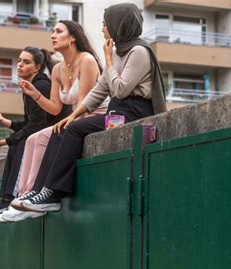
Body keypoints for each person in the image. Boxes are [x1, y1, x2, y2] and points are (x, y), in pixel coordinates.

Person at [11, 3, 166, 217]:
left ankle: (52, 193)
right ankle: (40, 192)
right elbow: (100, 90)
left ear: (118, 25)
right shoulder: (119, 51)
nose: (103, 29)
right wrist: (72, 115)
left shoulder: (138, 51)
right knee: (62, 128)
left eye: (105, 24)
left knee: (74, 131)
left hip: (133, 113)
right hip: (118, 111)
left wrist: (109, 59)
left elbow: (120, 89)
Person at [0, 20, 107, 222]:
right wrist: (35, 94)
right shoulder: (57, 69)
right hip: (76, 116)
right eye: (53, 31)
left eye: (58, 31)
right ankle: (25, 197)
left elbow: (83, 105)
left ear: (72, 37)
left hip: (95, 115)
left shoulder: (87, 60)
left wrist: (67, 122)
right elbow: (56, 107)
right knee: (33, 140)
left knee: (46, 136)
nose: (52, 35)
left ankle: (38, 195)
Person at [0, 47, 70, 216]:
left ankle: (14, 197)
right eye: (19, 61)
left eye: (26, 62)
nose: (20, 65)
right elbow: (29, 123)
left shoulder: (41, 85)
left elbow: (35, 127)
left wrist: (5, 142)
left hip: (54, 135)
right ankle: (8, 199)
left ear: (37, 67)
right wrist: (3, 121)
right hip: (40, 133)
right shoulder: (29, 86)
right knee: (17, 144)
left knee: (19, 144)